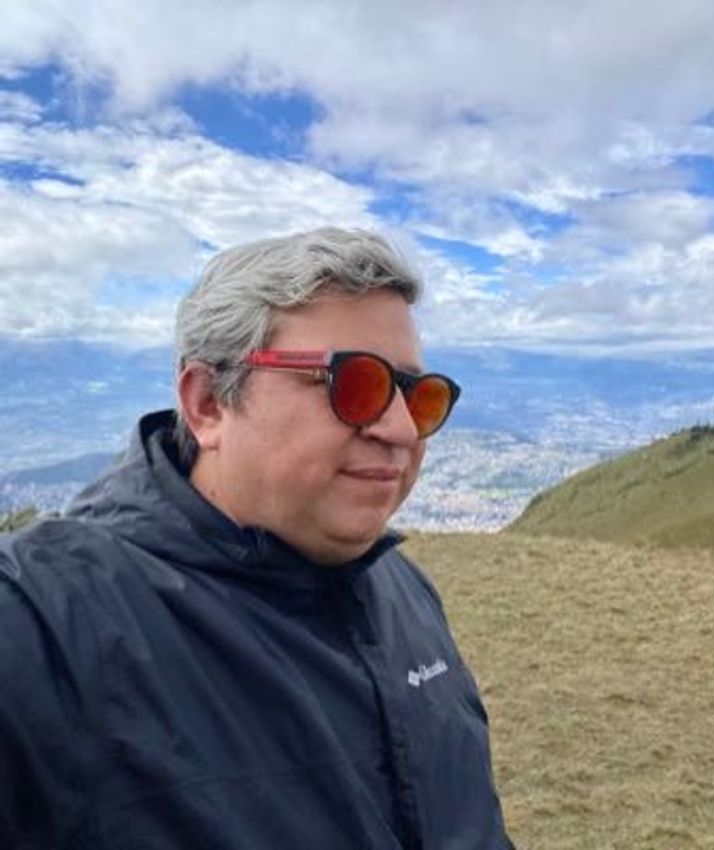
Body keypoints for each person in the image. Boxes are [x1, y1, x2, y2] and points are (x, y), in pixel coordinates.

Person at [0, 229, 514, 849]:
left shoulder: (404, 591)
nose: (402, 430)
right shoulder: (40, 626)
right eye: (354, 384)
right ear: (209, 402)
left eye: (419, 395)